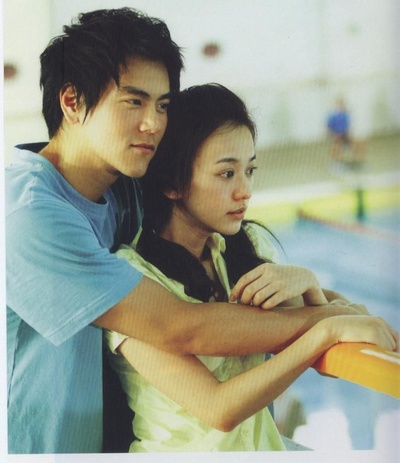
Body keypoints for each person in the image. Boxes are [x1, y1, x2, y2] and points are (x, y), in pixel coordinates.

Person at [5, 7, 390, 454]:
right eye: (134, 102)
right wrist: (326, 322)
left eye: (162, 105)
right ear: (72, 102)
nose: (154, 124)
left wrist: (308, 285)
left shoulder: (124, 189)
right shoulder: (29, 216)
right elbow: (180, 327)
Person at [105, 84, 398, 452]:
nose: (244, 190)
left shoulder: (242, 250)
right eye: (227, 174)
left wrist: (308, 283)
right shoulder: (132, 279)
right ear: (173, 184)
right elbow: (218, 408)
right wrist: (324, 331)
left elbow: (354, 324)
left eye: (250, 170)